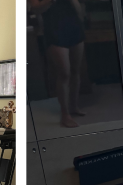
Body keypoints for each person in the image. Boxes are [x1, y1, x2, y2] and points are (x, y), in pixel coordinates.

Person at [30, 0, 86, 128]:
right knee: (64, 73)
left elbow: (79, 10)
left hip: (74, 26)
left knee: (76, 71)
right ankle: (65, 114)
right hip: (54, 30)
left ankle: (73, 106)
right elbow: (35, 9)